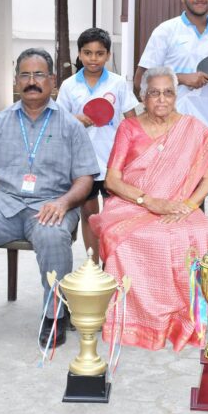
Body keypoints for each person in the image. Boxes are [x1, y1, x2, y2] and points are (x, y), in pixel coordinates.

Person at [0, 48, 99, 347]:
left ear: (52, 80)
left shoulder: (71, 126)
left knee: (53, 236)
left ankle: (55, 314)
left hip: (51, 203)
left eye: (39, 75)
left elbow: (85, 179)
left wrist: (63, 203)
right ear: (17, 80)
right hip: (3, 201)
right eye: (25, 75)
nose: (32, 81)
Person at [90, 67, 208, 351]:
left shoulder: (191, 127)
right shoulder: (129, 128)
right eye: (154, 93)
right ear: (143, 97)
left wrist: (188, 206)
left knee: (200, 233)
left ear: (176, 96)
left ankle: (182, 319)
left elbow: (207, 179)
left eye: (168, 93)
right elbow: (113, 180)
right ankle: (136, 320)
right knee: (130, 239)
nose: (162, 99)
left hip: (179, 205)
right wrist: (149, 202)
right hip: (132, 204)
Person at [56, 28, 137, 264]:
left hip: (114, 161)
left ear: (108, 55)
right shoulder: (69, 85)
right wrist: (76, 120)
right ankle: (92, 266)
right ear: (79, 54)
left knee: (114, 215)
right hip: (82, 164)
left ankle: (112, 265)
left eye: (99, 53)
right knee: (89, 214)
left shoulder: (118, 83)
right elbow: (58, 122)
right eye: (88, 53)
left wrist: (134, 153)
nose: (93, 58)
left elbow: (131, 121)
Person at [134, 0, 208, 142]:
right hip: (166, 132)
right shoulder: (165, 31)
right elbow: (139, 82)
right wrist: (180, 78)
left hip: (206, 131)